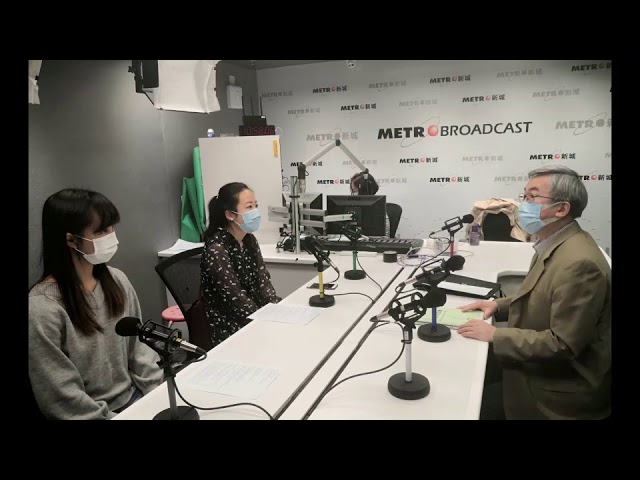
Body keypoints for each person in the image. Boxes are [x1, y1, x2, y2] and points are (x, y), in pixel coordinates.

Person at [457, 166, 611, 420]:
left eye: (532, 197)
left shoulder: (580, 263)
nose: (523, 205)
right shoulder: (555, 242)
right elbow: (538, 294)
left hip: (558, 393)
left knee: (466, 404)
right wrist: (497, 306)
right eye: (524, 195)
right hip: (538, 368)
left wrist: (496, 334)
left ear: (561, 209)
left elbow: (563, 344)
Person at [28, 188, 164, 420]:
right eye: (101, 231)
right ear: (71, 239)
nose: (112, 237)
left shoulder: (117, 281)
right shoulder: (42, 308)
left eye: (111, 228)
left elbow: (139, 348)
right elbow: (62, 397)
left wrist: (159, 396)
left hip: (136, 399)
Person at [201, 182, 281, 347]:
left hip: (255, 316)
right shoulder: (217, 249)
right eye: (249, 207)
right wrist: (265, 319)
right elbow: (236, 299)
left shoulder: (249, 240)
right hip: (230, 326)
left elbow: (263, 282)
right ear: (230, 215)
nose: (255, 212)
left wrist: (277, 308)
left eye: (256, 206)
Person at [349, 171, 391, 237]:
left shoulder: (379, 212)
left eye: (354, 191)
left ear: (364, 191)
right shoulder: (353, 210)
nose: (352, 195)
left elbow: (384, 238)